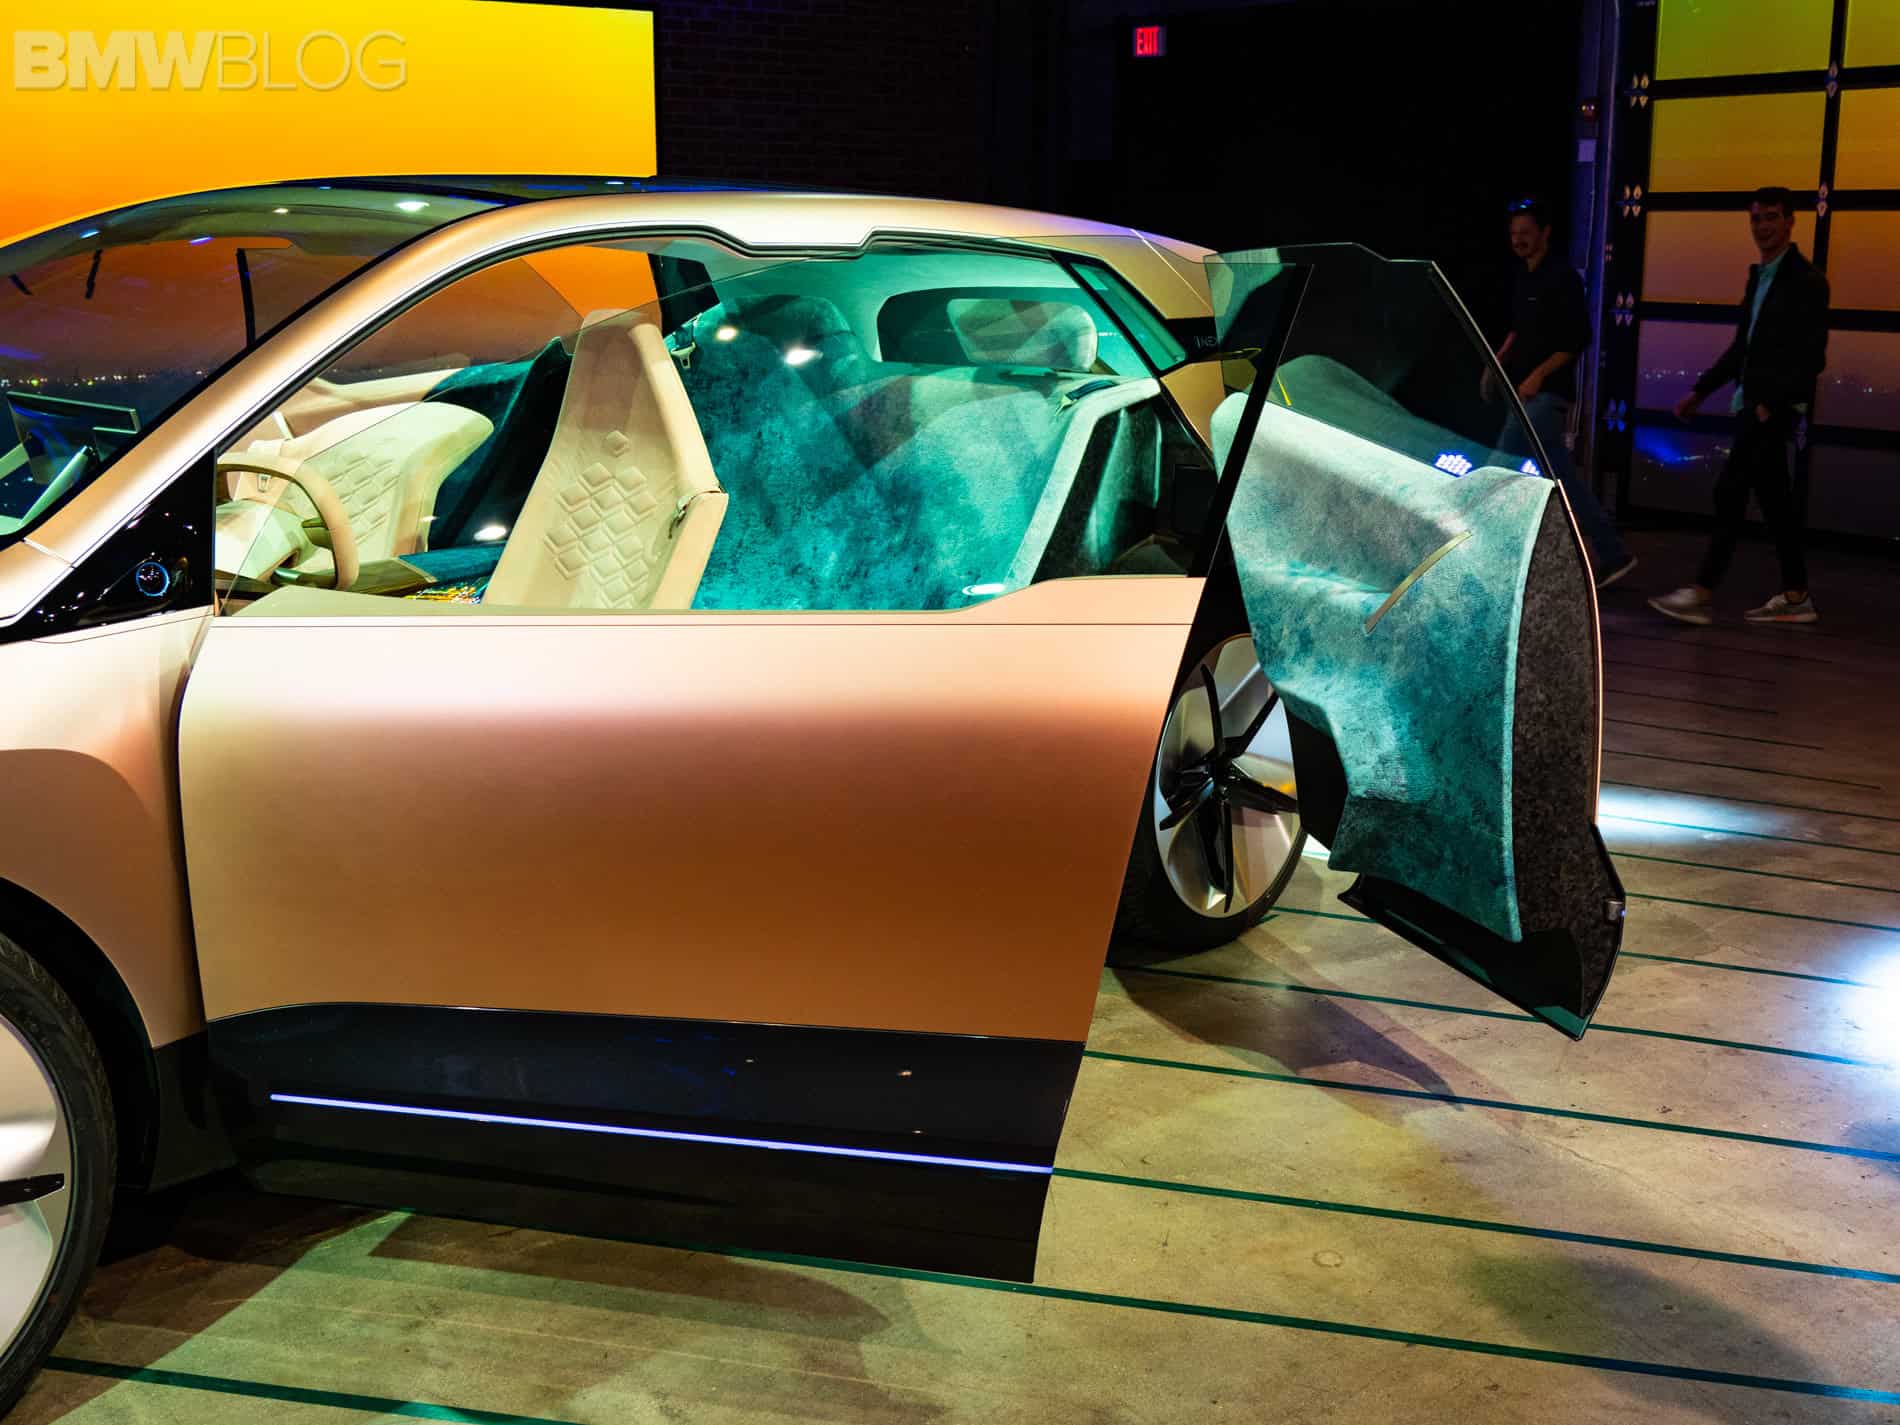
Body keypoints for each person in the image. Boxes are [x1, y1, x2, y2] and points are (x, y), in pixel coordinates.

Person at [1649, 186, 1830, 627]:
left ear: (1790, 221)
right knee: (1775, 503)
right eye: (1756, 218)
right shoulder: (1760, 277)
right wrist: (1700, 392)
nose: (1762, 226)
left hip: (1768, 408)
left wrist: (1771, 403)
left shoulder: (1806, 281)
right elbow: (1742, 349)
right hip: (1754, 402)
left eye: (1771, 217)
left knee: (1730, 492)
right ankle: (1796, 596)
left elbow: (1811, 356)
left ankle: (1702, 592)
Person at [1490, 197, 1635, 587]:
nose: (1518, 240)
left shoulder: (1561, 278)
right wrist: (1498, 359)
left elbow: (1577, 338)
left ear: (1545, 233)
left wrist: (1539, 375)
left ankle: (1484, 551)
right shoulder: (1524, 276)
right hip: (1524, 395)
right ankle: (1613, 553)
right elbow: (1519, 328)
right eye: (1514, 234)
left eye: (1526, 232)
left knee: (1498, 468)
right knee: (1564, 481)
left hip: (1545, 396)